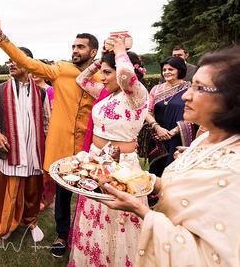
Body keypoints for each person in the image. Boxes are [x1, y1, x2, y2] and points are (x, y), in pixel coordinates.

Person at [99, 46, 240, 267]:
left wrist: (143, 211)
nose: (186, 95)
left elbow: (213, 258)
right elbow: (182, 190)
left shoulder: (234, 169)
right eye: (192, 85)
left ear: (233, 100)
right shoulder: (206, 140)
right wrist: (141, 179)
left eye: (200, 88)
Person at [0, 14, 99, 257]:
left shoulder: (103, 77)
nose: (75, 50)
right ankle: (61, 236)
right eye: (73, 46)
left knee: (90, 196)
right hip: (61, 148)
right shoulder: (61, 70)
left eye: (81, 46)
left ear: (94, 51)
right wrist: (0, 36)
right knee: (63, 197)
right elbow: (28, 62)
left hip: (90, 148)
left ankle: (87, 237)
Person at [68, 37, 149, 266]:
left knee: (117, 217)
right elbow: (81, 79)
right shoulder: (107, 94)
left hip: (123, 167)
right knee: (94, 215)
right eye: (101, 73)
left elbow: (126, 75)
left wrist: (120, 48)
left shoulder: (137, 96)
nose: (101, 78)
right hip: (97, 162)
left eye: (106, 73)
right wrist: (101, 58)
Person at [0, 47, 50, 242]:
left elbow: (47, 122)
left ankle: (31, 222)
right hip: (11, 151)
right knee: (9, 192)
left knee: (32, 190)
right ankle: (7, 224)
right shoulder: (0, 90)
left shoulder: (41, 93)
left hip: (33, 152)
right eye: (9, 60)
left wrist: (45, 145)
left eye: (15, 59)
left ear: (28, 62)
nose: (11, 63)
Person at [146, 56, 197, 177]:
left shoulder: (189, 88)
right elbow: (147, 112)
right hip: (158, 136)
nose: (167, 72)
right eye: (164, 70)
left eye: (171, 69)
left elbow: (195, 113)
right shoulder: (156, 89)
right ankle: (154, 194)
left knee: (175, 170)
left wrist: (173, 132)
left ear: (179, 70)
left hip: (179, 137)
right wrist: (157, 128)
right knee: (156, 169)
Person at [30, 63, 55, 212]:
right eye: (32, 71)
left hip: (45, 134)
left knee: (44, 169)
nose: (34, 74)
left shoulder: (49, 91)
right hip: (31, 135)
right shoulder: (30, 89)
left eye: (37, 71)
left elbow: (50, 115)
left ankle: (45, 198)